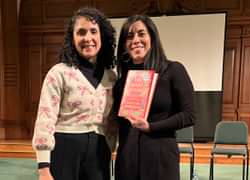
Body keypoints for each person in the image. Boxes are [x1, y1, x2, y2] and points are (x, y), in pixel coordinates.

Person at [32, 7, 117, 180]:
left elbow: (113, 120)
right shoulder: (59, 73)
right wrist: (43, 168)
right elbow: (45, 118)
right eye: (81, 32)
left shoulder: (111, 77)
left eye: (93, 31)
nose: (88, 38)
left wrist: (111, 147)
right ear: (73, 38)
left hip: (99, 152)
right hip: (64, 149)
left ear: (102, 36)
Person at [112, 15, 196, 180]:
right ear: (124, 44)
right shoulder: (122, 81)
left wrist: (151, 126)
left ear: (152, 38)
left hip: (161, 157)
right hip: (127, 160)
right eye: (129, 36)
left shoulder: (173, 70)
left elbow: (189, 115)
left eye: (141, 34)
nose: (136, 40)